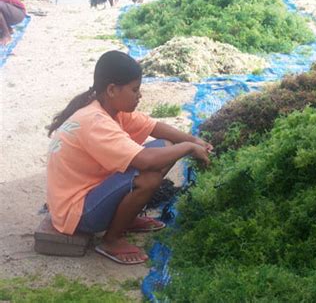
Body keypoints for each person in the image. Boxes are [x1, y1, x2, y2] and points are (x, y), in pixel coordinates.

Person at [46, 50, 213, 264]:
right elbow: (146, 161)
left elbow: (154, 127)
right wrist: (188, 148)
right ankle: (111, 241)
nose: (139, 95)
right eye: (135, 90)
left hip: (89, 191)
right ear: (112, 90)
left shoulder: (110, 108)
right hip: (77, 212)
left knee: (164, 146)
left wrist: (194, 140)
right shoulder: (96, 122)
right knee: (148, 177)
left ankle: (126, 218)